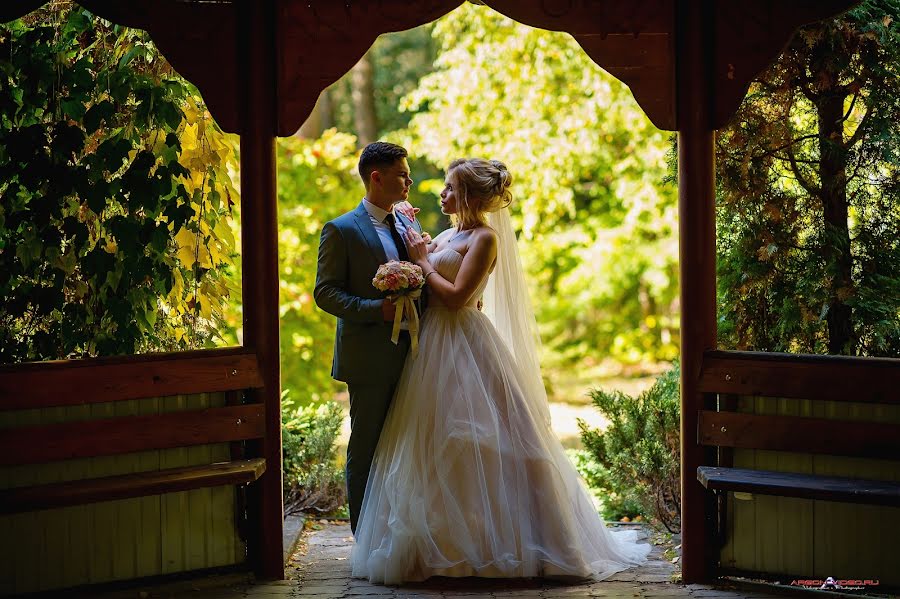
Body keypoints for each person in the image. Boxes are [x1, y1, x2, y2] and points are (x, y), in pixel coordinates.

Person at [350, 158, 650, 584]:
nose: (443, 194)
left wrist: (423, 261)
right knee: (432, 444)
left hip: (465, 343)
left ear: (468, 196)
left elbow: (456, 298)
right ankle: (446, 543)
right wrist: (413, 261)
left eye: (451, 188)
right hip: (431, 345)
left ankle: (510, 541)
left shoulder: (486, 239)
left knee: (486, 437)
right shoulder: (450, 233)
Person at [314, 141, 426, 535]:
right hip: (369, 358)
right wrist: (374, 309)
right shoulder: (341, 230)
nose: (409, 179)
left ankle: (404, 530)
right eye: (401, 173)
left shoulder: (407, 225)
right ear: (376, 178)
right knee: (366, 447)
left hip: (417, 354)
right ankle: (364, 536)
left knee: (410, 446)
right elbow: (325, 292)